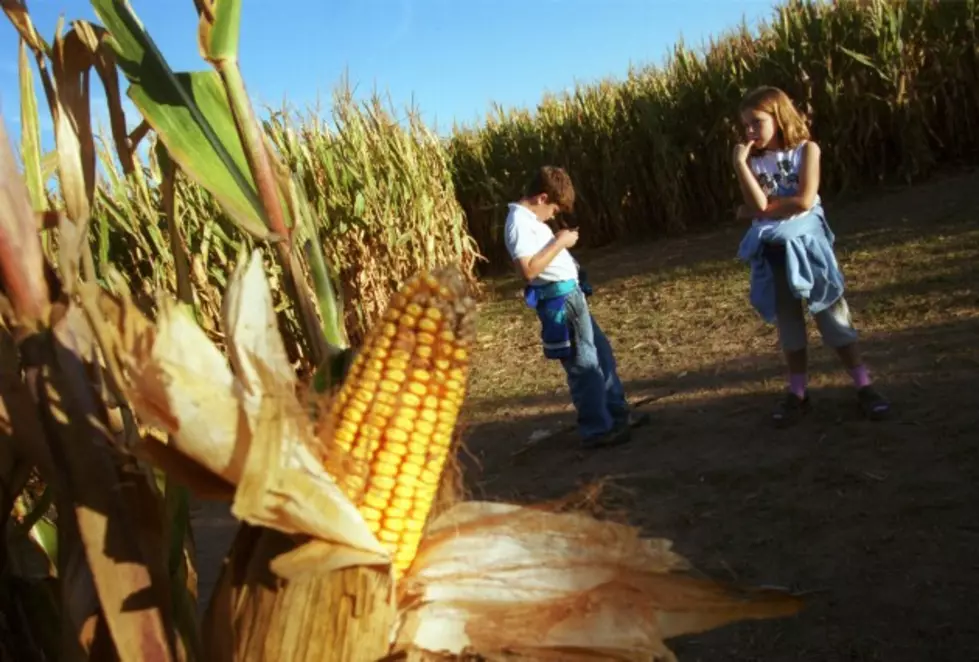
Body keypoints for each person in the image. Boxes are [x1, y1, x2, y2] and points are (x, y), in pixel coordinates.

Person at [733, 85, 891, 427]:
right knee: (790, 326)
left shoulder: (808, 150)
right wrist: (740, 165)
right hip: (775, 253)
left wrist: (758, 212)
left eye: (756, 122)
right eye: (744, 124)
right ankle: (798, 392)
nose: (748, 131)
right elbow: (760, 205)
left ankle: (864, 385)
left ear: (779, 116)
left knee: (832, 316)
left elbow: (804, 201)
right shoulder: (754, 162)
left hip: (809, 249)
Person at [503, 166, 647, 448]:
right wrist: (560, 241)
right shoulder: (518, 223)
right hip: (560, 302)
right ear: (542, 197)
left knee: (601, 356)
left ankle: (617, 415)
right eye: (554, 209)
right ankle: (597, 429)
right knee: (584, 366)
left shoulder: (531, 219)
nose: (554, 215)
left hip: (573, 297)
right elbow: (528, 271)